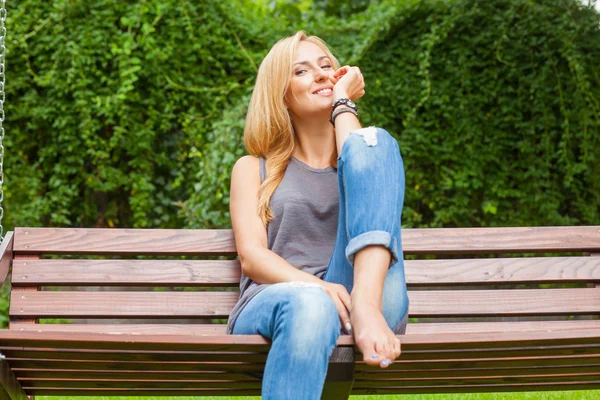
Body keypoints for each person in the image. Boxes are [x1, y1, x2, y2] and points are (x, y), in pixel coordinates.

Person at [226, 30, 409, 400]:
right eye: (303, 71)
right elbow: (253, 259)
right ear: (281, 94)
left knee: (376, 143)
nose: (323, 74)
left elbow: (361, 152)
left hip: (362, 295)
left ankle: (366, 306)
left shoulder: (361, 159)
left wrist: (342, 104)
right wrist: (320, 288)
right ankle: (358, 307)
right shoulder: (252, 168)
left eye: (328, 66)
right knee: (310, 304)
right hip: (279, 297)